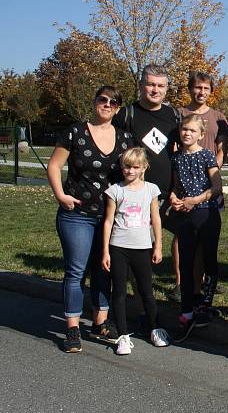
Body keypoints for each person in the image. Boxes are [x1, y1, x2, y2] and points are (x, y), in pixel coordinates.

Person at [48, 85, 133, 352]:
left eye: (113, 102)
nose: (107, 105)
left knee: (103, 269)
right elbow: (54, 165)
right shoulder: (75, 132)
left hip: (109, 216)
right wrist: (61, 195)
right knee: (76, 270)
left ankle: (100, 322)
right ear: (95, 101)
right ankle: (72, 327)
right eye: (102, 100)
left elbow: (133, 173)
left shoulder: (125, 138)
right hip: (77, 215)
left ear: (118, 108)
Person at [113, 65, 181, 311]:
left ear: (166, 89)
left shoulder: (173, 115)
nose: (155, 90)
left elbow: (178, 152)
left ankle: (183, 296)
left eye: (160, 86)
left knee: (183, 240)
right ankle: (144, 310)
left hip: (166, 194)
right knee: (140, 255)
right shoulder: (126, 114)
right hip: (136, 197)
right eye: (150, 84)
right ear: (141, 85)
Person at [101, 147, 170, 355]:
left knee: (146, 291)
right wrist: (105, 251)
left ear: (144, 168)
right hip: (118, 246)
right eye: (126, 167)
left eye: (135, 167)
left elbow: (155, 219)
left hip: (142, 247)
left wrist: (158, 245)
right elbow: (108, 221)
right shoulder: (115, 190)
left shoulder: (151, 189)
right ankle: (123, 335)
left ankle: (154, 328)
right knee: (120, 291)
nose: (130, 171)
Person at [173, 71, 228, 302]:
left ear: (211, 91)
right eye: (197, 87)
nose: (201, 92)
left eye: (206, 88)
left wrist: (210, 170)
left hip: (207, 181)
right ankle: (181, 282)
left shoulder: (219, 117)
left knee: (206, 237)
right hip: (184, 181)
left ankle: (204, 283)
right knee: (182, 236)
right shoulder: (180, 114)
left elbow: (221, 150)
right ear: (190, 89)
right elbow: (174, 147)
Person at [170, 114, 223, 342]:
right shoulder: (175, 158)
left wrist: (197, 199)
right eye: (184, 129)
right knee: (187, 260)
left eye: (192, 130)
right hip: (184, 215)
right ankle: (186, 311)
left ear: (201, 134)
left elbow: (217, 186)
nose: (187, 134)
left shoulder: (207, 156)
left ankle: (204, 305)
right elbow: (172, 185)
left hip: (206, 213)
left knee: (209, 260)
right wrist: (173, 197)